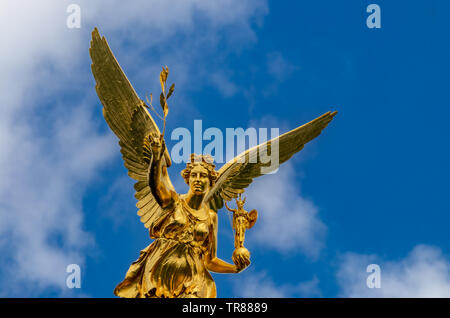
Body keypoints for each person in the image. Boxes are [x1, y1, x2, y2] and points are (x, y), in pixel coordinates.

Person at [114, 134, 250, 298]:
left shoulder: (211, 216)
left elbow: (210, 260)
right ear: (187, 178)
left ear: (211, 181)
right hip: (159, 270)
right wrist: (157, 156)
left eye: (203, 176)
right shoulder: (173, 201)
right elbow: (156, 185)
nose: (198, 180)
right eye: (194, 175)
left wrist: (235, 269)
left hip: (193, 277)